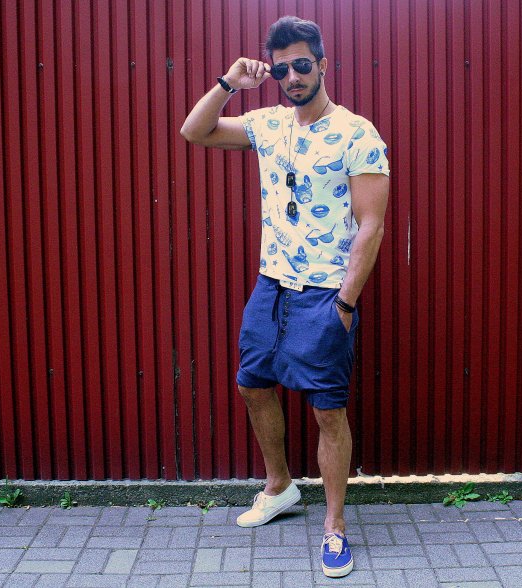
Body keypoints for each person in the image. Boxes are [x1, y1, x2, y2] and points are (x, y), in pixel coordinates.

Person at [180, 15, 390, 579]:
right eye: (281, 69)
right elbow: (194, 131)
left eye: (302, 65)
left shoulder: (357, 133)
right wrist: (229, 82)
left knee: (327, 409)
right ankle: (279, 487)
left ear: (322, 64)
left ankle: (334, 526)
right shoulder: (267, 124)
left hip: (325, 291)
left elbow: (371, 226)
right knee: (252, 384)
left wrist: (345, 304)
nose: (292, 77)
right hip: (271, 284)